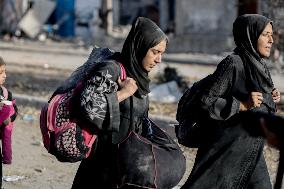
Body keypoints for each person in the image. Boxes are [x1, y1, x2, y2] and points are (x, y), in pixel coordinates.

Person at [180, 14, 281, 189]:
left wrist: (270, 98)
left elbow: (260, 105)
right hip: (226, 149)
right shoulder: (233, 63)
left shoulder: (261, 66)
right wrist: (241, 105)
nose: (271, 40)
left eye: (272, 35)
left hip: (252, 149)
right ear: (250, 34)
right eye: (265, 34)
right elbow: (207, 101)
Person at [68, 17, 168, 188]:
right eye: (154, 52)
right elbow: (89, 106)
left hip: (127, 166)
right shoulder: (111, 69)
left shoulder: (140, 77)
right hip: (101, 166)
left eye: (161, 53)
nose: (159, 60)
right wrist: (123, 93)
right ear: (140, 46)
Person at [0, 57, 18, 187]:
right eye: (0, 73)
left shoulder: (6, 94)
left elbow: (15, 110)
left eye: (4, 72)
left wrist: (9, 119)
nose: (4, 76)